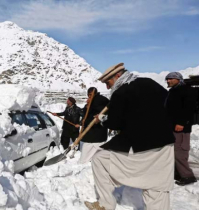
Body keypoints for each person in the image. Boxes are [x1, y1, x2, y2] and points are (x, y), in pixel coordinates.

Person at [84, 63, 175, 210]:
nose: (107, 87)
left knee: (99, 159)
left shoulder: (120, 93)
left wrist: (101, 119)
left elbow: (115, 123)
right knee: (156, 187)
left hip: (140, 147)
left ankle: (105, 204)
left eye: (108, 83)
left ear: (118, 76)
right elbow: (170, 104)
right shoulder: (149, 82)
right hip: (164, 142)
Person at [165, 72, 197, 186]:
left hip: (181, 127)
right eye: (167, 79)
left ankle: (188, 176)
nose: (168, 81)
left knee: (180, 151)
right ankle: (179, 173)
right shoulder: (173, 91)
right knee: (174, 151)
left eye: (171, 79)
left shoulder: (186, 90)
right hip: (172, 126)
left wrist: (182, 123)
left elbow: (189, 108)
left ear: (178, 79)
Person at [79, 87, 109, 163]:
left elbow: (105, 113)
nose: (89, 97)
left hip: (96, 134)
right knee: (95, 159)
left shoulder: (100, 100)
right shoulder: (92, 102)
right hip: (92, 135)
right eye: (88, 95)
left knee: (87, 160)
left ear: (95, 93)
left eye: (91, 95)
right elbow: (87, 115)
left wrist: (100, 117)